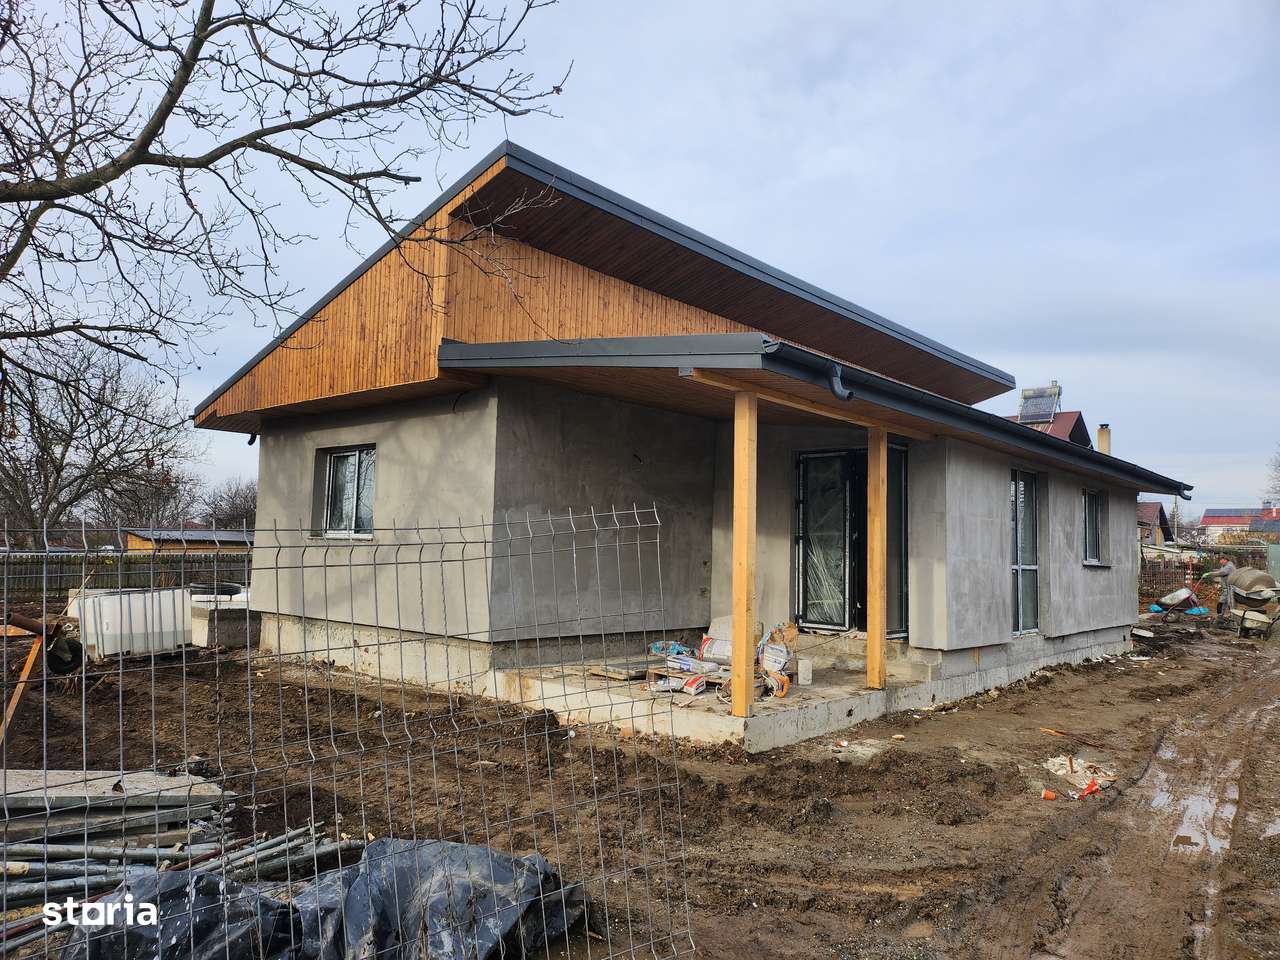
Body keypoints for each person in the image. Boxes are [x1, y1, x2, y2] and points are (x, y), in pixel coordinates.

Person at [1200, 557, 1236, 621]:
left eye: (1221, 560)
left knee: (1224, 603)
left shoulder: (1229, 566)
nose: (1220, 562)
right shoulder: (1224, 566)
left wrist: (1209, 573)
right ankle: (1223, 617)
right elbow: (1219, 571)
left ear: (1225, 560)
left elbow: (1221, 572)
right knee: (1226, 603)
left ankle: (1227, 618)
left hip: (1230, 589)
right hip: (1226, 588)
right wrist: (1212, 572)